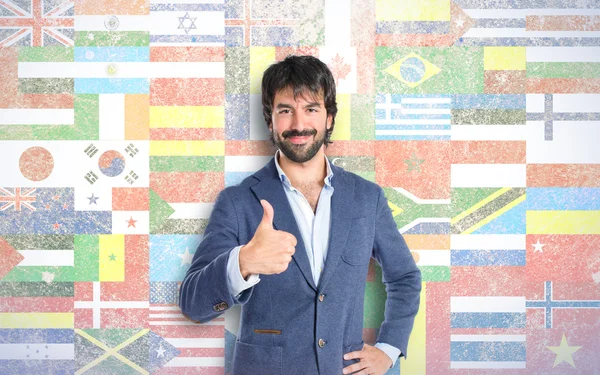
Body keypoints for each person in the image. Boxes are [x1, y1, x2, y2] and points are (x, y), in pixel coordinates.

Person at [179, 55, 421, 375]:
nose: (298, 124)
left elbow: (405, 277)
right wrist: (244, 262)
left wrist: (389, 348)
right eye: (285, 110)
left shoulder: (367, 198)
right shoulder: (237, 202)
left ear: (329, 117)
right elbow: (192, 304)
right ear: (270, 120)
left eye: (311, 109)